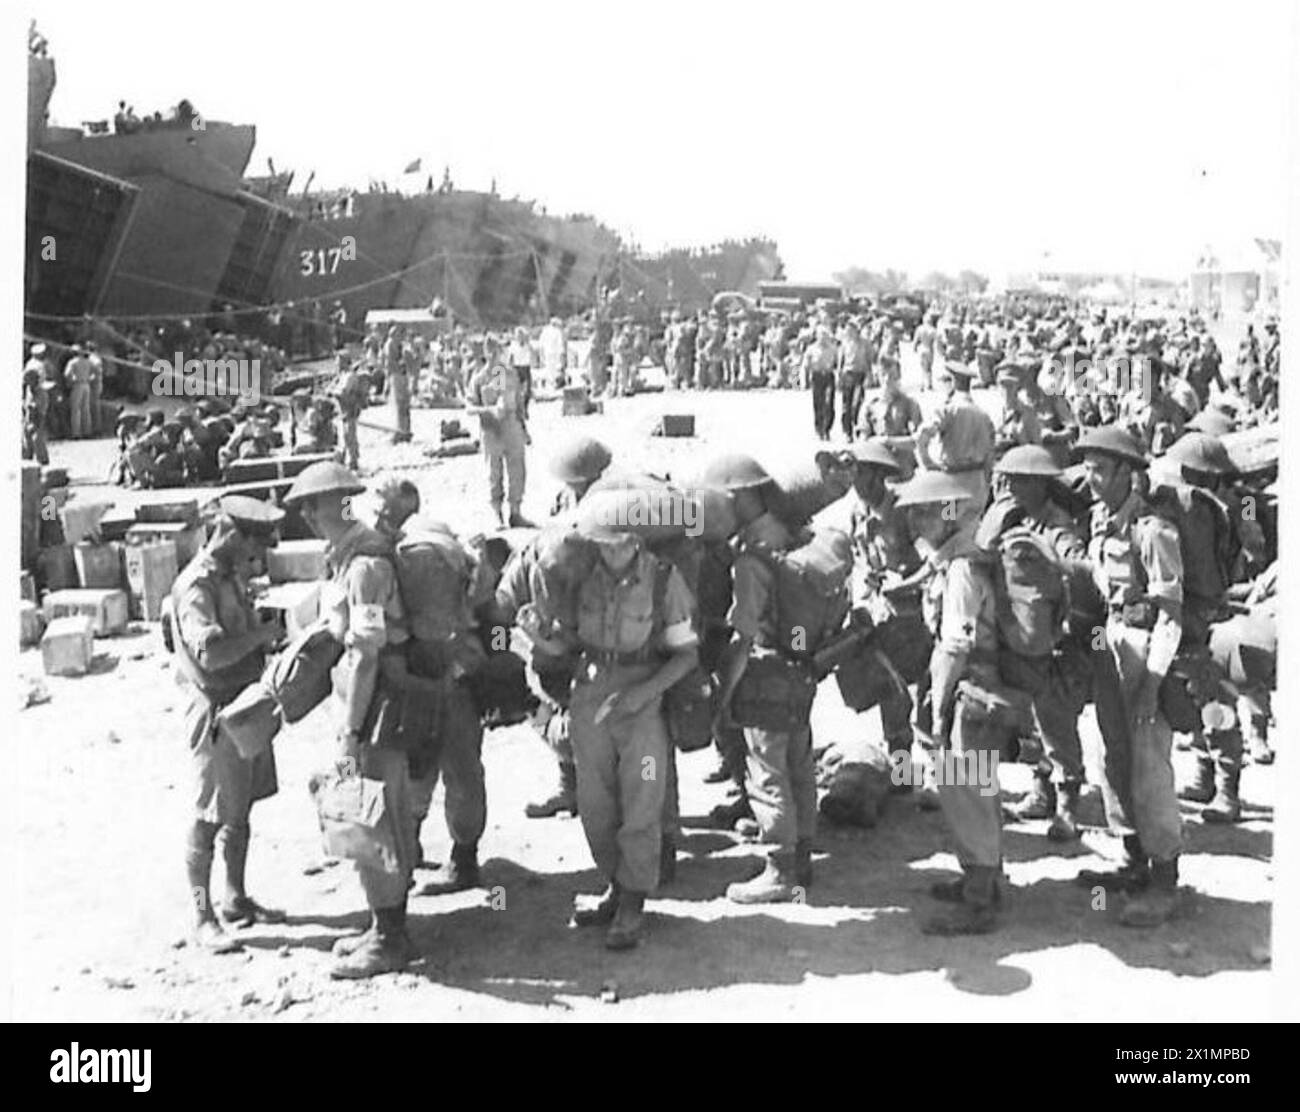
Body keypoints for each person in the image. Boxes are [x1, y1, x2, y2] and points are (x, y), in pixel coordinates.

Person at [284, 462, 419, 978]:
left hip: (376, 709)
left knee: (370, 816)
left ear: (335, 505)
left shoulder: (364, 566)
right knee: (370, 813)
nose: (308, 517)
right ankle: (381, 923)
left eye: (311, 506)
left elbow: (365, 655)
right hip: (364, 703)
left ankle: (391, 938)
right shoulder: (343, 557)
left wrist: (350, 733)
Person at [560, 488, 700, 949]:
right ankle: (615, 885)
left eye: (622, 541)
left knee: (642, 798)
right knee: (595, 800)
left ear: (638, 539)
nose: (614, 549)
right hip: (591, 696)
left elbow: (686, 654)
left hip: (643, 698)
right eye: (606, 542)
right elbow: (566, 640)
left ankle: (634, 901)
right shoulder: (583, 576)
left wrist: (644, 694)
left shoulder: (663, 579)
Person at [708, 454, 840, 903]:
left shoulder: (749, 560)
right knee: (800, 765)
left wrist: (726, 693)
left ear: (743, 498)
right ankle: (803, 854)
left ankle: (780, 871)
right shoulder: (791, 536)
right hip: (801, 666)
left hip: (764, 672)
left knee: (767, 773)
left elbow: (744, 636)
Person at [1073, 427, 1185, 928]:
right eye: (1089, 468)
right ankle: (1132, 856)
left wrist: (1153, 683)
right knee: (1108, 755)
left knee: (1147, 766)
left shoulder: (1153, 529)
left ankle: (1165, 880)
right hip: (1111, 644)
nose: (1092, 479)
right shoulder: (1101, 521)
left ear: (1127, 472)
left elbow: (1172, 615)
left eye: (1101, 469)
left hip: (1145, 650)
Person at [171, 495, 288, 953]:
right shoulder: (197, 585)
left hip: (244, 705)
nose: (256, 557)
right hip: (216, 712)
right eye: (253, 546)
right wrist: (261, 635)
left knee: (239, 813)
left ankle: (235, 898)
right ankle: (202, 914)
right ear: (231, 534)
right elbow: (212, 654)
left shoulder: (229, 577)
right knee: (208, 818)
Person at [894, 471, 1007, 934]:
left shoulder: (962, 569)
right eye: (912, 513)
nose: (915, 522)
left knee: (966, 795)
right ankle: (986, 880)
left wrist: (937, 708)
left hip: (967, 692)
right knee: (979, 790)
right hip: (977, 689)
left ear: (947, 513)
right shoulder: (957, 558)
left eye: (923, 512)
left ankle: (980, 901)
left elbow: (955, 645)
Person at [975, 445, 1090, 840]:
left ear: (1041, 484)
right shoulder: (1009, 517)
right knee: (1028, 723)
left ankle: (1069, 806)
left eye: (1020, 480)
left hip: (1053, 643)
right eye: (1007, 479)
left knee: (1057, 725)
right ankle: (1040, 791)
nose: (1010, 486)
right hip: (1015, 639)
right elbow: (981, 551)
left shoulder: (1058, 525)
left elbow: (1076, 570)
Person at [845, 439, 925, 782]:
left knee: (930, 701)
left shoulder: (907, 510)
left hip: (918, 616)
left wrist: (905, 581)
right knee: (889, 694)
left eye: (859, 473)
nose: (854, 481)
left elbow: (935, 558)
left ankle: (957, 783)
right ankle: (903, 772)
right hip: (882, 614)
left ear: (878, 476)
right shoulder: (858, 511)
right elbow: (858, 560)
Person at [914, 360, 996, 530]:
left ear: (952, 383)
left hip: (950, 485)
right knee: (972, 530)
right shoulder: (983, 415)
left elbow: (923, 436)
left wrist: (928, 462)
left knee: (948, 528)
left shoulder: (947, 410)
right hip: (976, 483)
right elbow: (990, 456)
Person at [466, 340, 529, 526]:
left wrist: (524, 430)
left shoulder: (510, 375)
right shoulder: (478, 378)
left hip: (512, 427)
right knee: (494, 473)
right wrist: (489, 410)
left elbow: (519, 404)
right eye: (491, 353)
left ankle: (515, 512)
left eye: (497, 352)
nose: (495, 356)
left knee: (517, 472)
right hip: (491, 430)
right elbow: (469, 407)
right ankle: (497, 514)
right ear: (485, 354)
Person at [803, 326, 838, 440]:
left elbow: (838, 364)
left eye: (825, 335)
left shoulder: (833, 348)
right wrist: (801, 382)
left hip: (828, 376)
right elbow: (804, 366)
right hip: (816, 377)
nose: (823, 338)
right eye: (821, 335)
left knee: (829, 403)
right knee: (818, 404)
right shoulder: (811, 349)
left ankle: (827, 429)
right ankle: (819, 429)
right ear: (817, 336)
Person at [63, 344, 95, 439]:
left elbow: (67, 374)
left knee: (75, 409)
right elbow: (93, 374)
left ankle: (76, 433)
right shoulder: (88, 362)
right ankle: (87, 431)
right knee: (86, 409)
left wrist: (71, 381)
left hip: (77, 385)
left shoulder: (72, 362)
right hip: (86, 385)